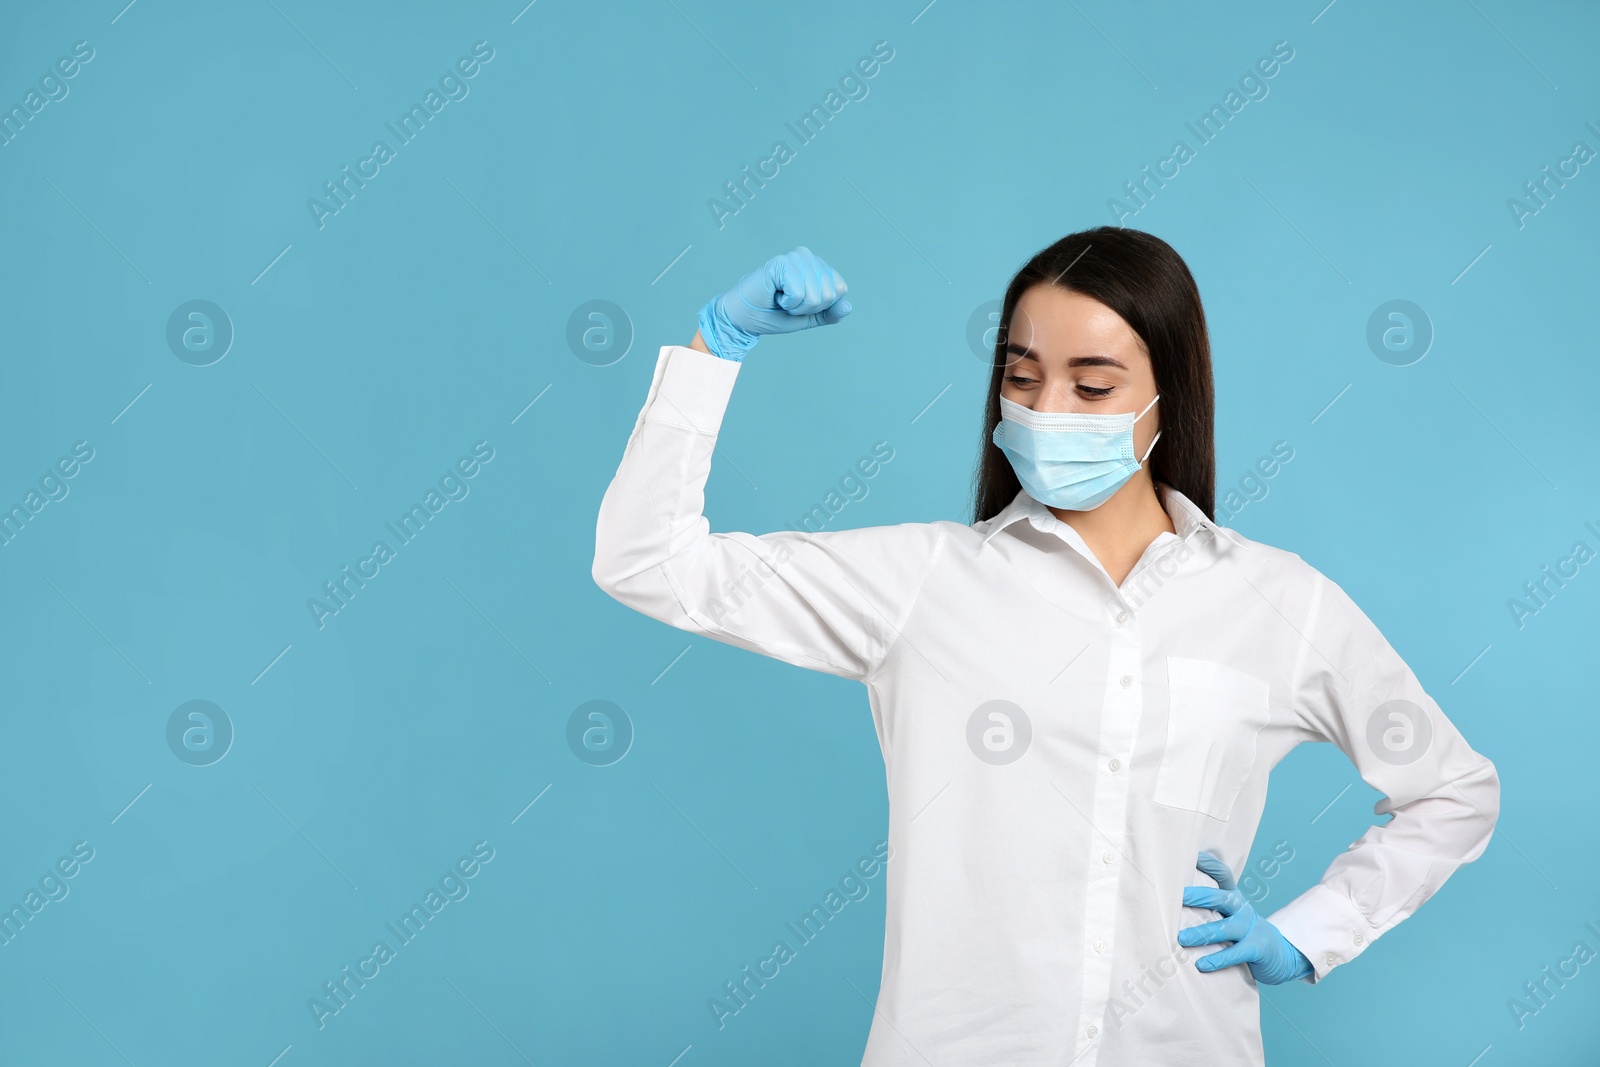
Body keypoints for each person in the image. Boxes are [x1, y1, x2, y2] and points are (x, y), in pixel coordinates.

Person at [591, 233, 1500, 1066]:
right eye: (1022, 377)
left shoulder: (1274, 600)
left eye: (1093, 385)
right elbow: (650, 564)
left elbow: (1453, 791)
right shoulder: (923, 582)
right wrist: (717, 347)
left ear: (1164, 396)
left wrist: (1307, 934)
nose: (1048, 408)